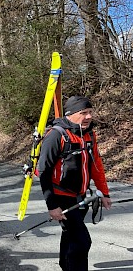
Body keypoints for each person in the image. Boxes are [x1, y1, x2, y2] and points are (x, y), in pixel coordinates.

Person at [38, 96, 112, 271]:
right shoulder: (56, 136)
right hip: (61, 198)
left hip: (81, 196)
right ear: (70, 115)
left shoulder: (89, 135)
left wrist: (104, 193)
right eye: (83, 113)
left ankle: (66, 265)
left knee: (71, 236)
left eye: (90, 112)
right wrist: (52, 205)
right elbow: (44, 172)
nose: (88, 117)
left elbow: (96, 166)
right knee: (82, 241)